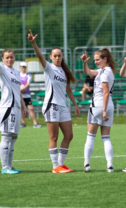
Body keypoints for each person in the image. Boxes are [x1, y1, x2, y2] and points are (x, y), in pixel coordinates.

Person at [28, 29, 80, 173]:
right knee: (54, 136)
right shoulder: (49, 68)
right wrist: (33, 43)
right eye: (55, 56)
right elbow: (39, 56)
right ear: (51, 57)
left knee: (69, 135)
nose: (57, 58)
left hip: (63, 106)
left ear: (62, 57)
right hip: (51, 105)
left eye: (59, 55)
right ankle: (55, 166)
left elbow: (68, 89)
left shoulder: (64, 71)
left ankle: (61, 164)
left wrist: (75, 105)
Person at [0, 38, 29, 174]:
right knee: (6, 136)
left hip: (16, 108)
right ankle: (4, 167)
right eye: (7, 57)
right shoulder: (2, 70)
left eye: (11, 57)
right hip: (7, 108)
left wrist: (24, 107)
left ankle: (10, 166)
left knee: (13, 138)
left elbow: (18, 92)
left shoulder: (16, 73)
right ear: (3, 59)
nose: (9, 59)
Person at [81, 48, 116, 173]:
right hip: (108, 105)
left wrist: (104, 110)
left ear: (105, 59)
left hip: (98, 106)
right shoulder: (105, 71)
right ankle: (110, 166)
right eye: (94, 60)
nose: (95, 62)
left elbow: (106, 91)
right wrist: (85, 62)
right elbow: (88, 71)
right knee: (106, 137)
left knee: (90, 136)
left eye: (98, 60)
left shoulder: (104, 72)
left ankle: (86, 164)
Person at [19, 62, 42, 128]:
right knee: (21, 109)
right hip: (20, 95)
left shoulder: (28, 75)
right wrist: (20, 89)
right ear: (20, 67)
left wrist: (23, 89)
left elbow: (28, 83)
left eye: (24, 66)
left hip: (27, 95)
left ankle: (35, 123)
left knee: (31, 108)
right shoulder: (18, 75)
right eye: (22, 66)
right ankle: (23, 123)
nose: (23, 68)